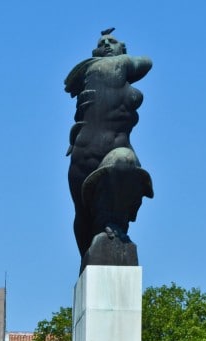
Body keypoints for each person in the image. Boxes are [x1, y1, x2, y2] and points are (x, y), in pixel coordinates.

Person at [65, 30, 153, 265]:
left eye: (111, 42)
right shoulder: (91, 71)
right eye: (100, 43)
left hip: (117, 148)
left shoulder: (121, 65)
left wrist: (121, 58)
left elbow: (146, 63)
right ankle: (87, 258)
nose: (105, 44)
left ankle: (113, 227)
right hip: (83, 154)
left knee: (124, 162)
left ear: (123, 49)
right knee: (83, 215)